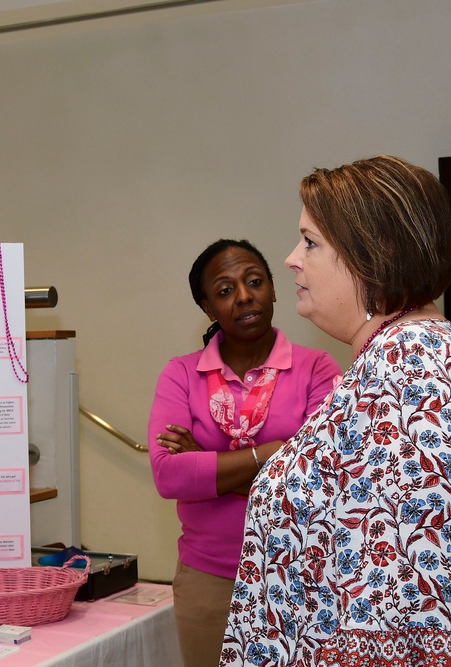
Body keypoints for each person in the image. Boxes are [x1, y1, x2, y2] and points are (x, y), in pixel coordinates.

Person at [220, 155, 451, 666]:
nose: (291, 258)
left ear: (374, 255)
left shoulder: (410, 376)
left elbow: (404, 612)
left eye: (310, 242)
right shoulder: (404, 356)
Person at [148, 239, 340, 667]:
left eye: (254, 281)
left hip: (300, 575)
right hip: (209, 579)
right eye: (224, 290)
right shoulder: (181, 373)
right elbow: (169, 476)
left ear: (273, 289)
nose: (244, 296)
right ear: (207, 307)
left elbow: (317, 481)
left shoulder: (318, 369)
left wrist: (208, 466)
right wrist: (273, 452)